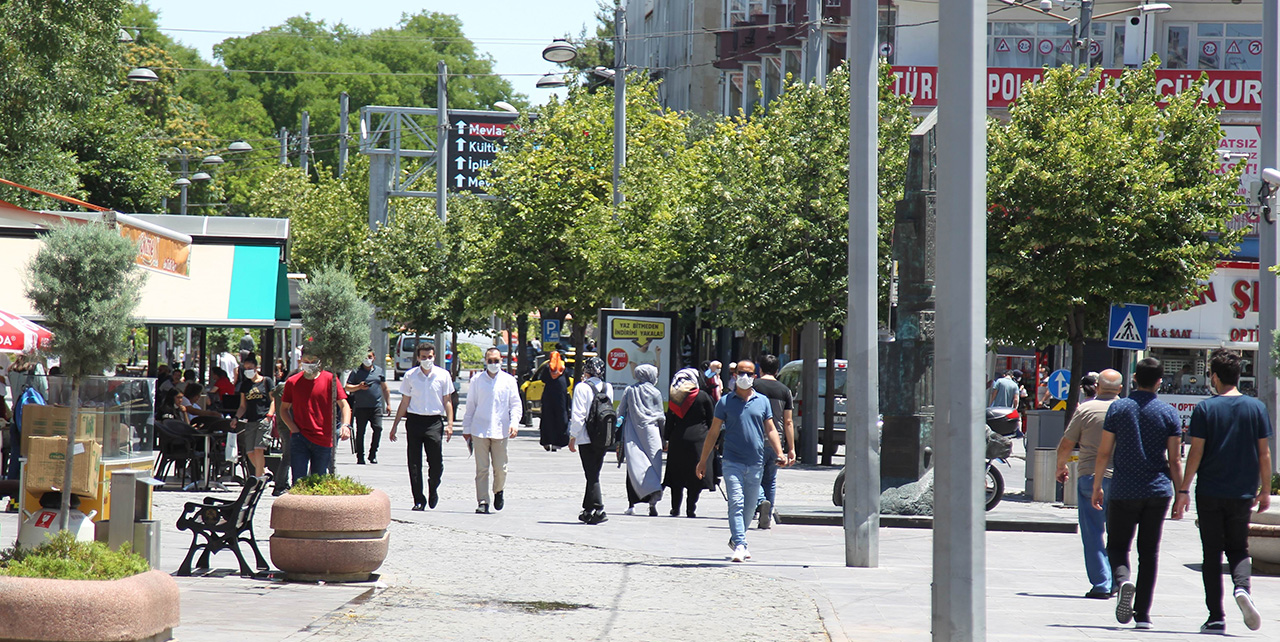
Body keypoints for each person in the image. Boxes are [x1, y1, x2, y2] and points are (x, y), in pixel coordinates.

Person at [1174, 349, 1272, 634]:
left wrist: (1183, 489)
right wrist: (1265, 490)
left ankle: (1215, 616)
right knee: (1239, 549)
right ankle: (1242, 589)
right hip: (1242, 492)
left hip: (1210, 492)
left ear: (1214, 377)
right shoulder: (1257, 409)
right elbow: (1264, 454)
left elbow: (1196, 453)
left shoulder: (1205, 409)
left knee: (1212, 554)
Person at [1092, 357, 1184, 630]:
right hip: (1157, 490)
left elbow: (1105, 452)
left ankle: (1122, 581)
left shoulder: (1119, 408)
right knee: (1149, 551)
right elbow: (1176, 459)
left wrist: (1097, 485)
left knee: (1118, 546)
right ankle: (1143, 615)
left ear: (1133, 378)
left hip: (1123, 488)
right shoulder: (1169, 413)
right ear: (1159, 381)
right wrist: (1181, 493)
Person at [696, 358, 786, 563]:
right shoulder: (725, 402)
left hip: (756, 462)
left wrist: (780, 452)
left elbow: (770, 429)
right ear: (734, 376)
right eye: (740, 373)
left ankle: (738, 538)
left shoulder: (762, 401)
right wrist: (702, 461)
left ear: (755, 376)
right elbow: (713, 432)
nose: (744, 377)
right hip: (732, 461)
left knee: (750, 505)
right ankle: (740, 544)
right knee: (736, 502)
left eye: (748, 373)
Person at [1055, 369, 1122, 599]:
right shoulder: (1127, 409)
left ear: (1098, 387)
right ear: (1120, 389)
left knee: (1093, 532)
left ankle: (1102, 583)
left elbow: (1067, 443)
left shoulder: (1085, 409)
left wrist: (1060, 466)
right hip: (1121, 479)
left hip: (1089, 475)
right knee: (1118, 533)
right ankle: (1119, 579)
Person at [390, 343, 455, 510]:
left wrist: (449, 424)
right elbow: (405, 401)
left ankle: (433, 488)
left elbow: (447, 400)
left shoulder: (442, 375)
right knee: (414, 463)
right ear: (418, 358)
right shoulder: (410, 376)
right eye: (424, 357)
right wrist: (395, 425)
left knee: (436, 462)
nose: (427, 360)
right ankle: (418, 499)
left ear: (434, 357)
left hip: (434, 422)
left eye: (430, 357)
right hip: (414, 421)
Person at [461, 347, 522, 514]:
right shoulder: (477, 380)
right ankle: (482, 501)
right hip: (479, 429)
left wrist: (514, 423)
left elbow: (516, 404)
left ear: (501, 361)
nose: (493, 364)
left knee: (500, 468)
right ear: (485, 361)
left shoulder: (509, 381)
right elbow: (471, 405)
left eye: (496, 361)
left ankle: (498, 490)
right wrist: (466, 428)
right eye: (490, 361)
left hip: (501, 430)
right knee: (482, 468)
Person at [279, 345, 352, 481]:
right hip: (299, 437)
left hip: (323, 437)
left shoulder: (330, 379)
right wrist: (293, 429)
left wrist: (345, 425)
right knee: (299, 480)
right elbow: (283, 409)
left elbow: (344, 405)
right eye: (307, 360)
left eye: (313, 361)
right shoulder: (292, 382)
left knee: (319, 480)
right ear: (301, 360)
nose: (310, 364)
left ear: (320, 362)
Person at [663, 367, 715, 518]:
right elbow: (712, 420)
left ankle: (675, 508)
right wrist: (716, 441)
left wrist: (666, 438)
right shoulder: (704, 396)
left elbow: (670, 421)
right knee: (695, 476)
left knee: (676, 476)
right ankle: (690, 508)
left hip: (678, 440)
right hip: (699, 441)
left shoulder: (675, 397)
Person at [753, 354, 796, 529]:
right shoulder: (785, 391)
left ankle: (761, 501)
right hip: (776, 441)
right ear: (777, 371)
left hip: (755, 438)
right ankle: (767, 516)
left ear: (760, 369)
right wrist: (791, 449)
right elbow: (788, 421)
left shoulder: (753, 386)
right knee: (770, 479)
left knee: (753, 478)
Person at [568, 357, 613, 524]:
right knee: (594, 472)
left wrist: (573, 436)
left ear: (586, 370)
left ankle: (599, 509)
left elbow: (578, 415)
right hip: (603, 436)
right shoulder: (608, 387)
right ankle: (588, 510)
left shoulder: (581, 388)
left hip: (586, 437)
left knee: (591, 474)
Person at [620, 364, 665, 516]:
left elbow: (621, 412)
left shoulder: (629, 390)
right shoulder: (656, 392)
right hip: (652, 434)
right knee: (653, 466)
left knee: (634, 467)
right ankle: (653, 503)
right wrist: (665, 437)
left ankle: (632, 504)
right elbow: (661, 417)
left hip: (632, 432)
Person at [346, 349, 389, 465]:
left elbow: (385, 388)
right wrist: (358, 387)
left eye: (370, 357)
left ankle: (373, 453)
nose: (367, 359)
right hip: (360, 407)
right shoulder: (356, 371)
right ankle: (360, 456)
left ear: (374, 357)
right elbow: (347, 387)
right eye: (365, 357)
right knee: (361, 432)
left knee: (378, 428)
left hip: (376, 406)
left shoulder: (379, 371)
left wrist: (388, 404)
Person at [234, 354, 274, 478]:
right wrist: (236, 418)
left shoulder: (266, 381)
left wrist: (269, 416)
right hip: (250, 420)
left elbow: (273, 400)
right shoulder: (245, 385)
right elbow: (242, 406)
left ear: (256, 368)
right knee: (250, 451)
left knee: (258, 448)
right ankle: (263, 472)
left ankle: (258, 479)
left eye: (250, 368)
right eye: (245, 369)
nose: (248, 371)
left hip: (263, 418)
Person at [537, 351, 571, 451]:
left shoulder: (547, 368)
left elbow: (543, 379)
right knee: (560, 418)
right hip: (561, 398)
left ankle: (547, 441)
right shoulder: (563, 369)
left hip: (548, 397)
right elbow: (568, 383)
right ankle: (558, 443)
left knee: (547, 418)